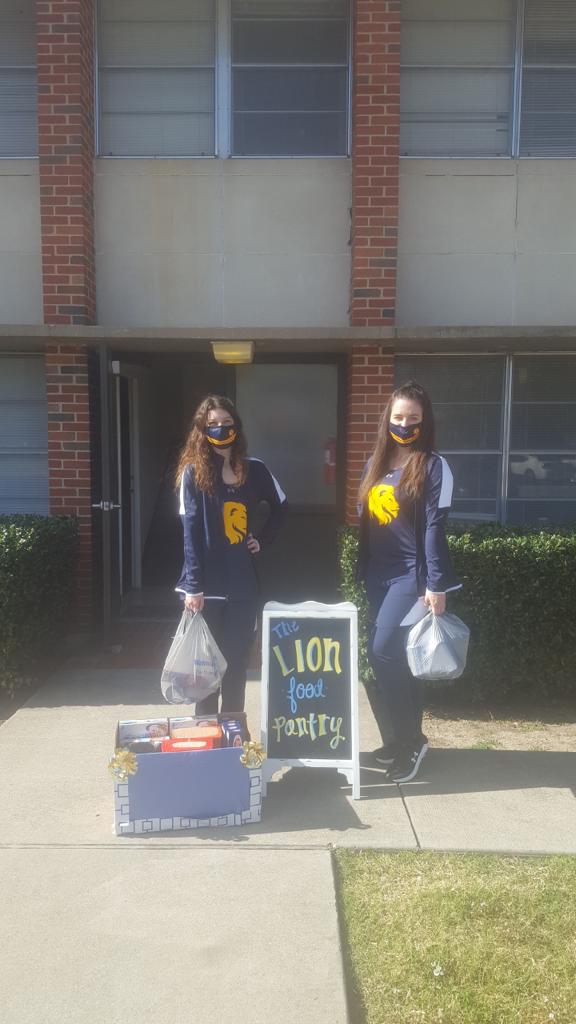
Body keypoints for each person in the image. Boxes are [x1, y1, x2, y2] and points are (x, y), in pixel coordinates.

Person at [357, 381, 460, 783]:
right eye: (398, 417)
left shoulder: (435, 466)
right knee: (395, 657)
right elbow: (367, 525)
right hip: (378, 576)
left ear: (425, 421)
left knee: (383, 651)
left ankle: (411, 740)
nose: (404, 424)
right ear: (388, 420)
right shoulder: (375, 464)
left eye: (413, 418)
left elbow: (435, 528)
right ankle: (401, 739)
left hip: (411, 576)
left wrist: (435, 585)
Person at [175, 395, 286, 714]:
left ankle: (234, 736)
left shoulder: (255, 469)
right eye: (212, 425)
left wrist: (262, 540)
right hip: (206, 590)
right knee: (206, 669)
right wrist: (194, 587)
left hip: (242, 587)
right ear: (201, 430)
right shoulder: (193, 474)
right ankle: (207, 738)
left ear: (236, 426)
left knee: (236, 665)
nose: (221, 430)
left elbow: (281, 506)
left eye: (226, 423)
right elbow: (190, 533)